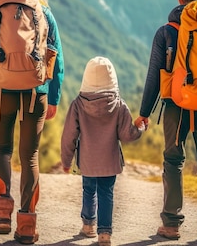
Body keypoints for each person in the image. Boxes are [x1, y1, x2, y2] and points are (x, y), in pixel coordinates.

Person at [134, 0, 197, 244]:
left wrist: (145, 111)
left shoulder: (167, 31)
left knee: (174, 160)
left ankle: (171, 224)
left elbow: (154, 75)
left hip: (177, 103)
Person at [0, 0, 65, 245]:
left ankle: (2, 216)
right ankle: (27, 224)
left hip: (1, 90)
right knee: (30, 155)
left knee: (2, 149)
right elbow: (57, 58)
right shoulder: (44, 13)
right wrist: (53, 97)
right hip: (34, 91)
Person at [61, 56, 144, 246]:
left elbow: (68, 136)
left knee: (88, 189)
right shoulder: (119, 105)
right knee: (106, 192)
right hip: (109, 161)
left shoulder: (78, 105)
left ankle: (88, 225)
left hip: (87, 161)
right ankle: (104, 234)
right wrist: (140, 128)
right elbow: (128, 135)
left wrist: (66, 161)